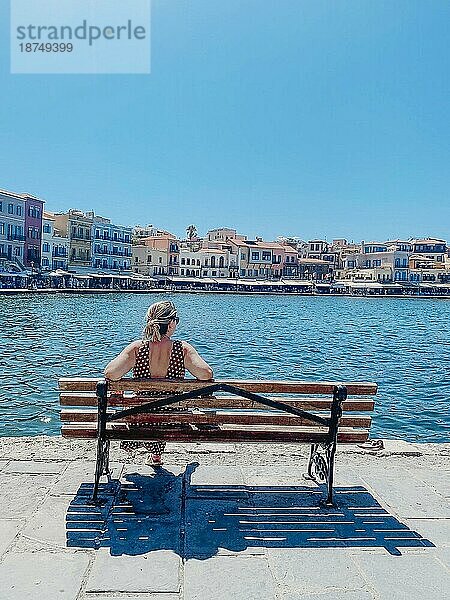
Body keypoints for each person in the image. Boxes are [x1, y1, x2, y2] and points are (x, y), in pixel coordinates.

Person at [104, 300, 213, 466]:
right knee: (163, 407)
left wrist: (119, 389)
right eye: (176, 320)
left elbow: (111, 373)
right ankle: (155, 455)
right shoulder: (182, 349)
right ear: (170, 324)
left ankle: (153, 453)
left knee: (151, 409)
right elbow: (206, 374)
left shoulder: (137, 348)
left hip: (142, 418)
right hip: (173, 419)